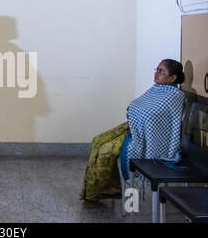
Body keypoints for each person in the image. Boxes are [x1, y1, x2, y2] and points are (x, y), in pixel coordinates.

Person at [80, 59, 186, 208]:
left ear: (173, 78)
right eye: (156, 69)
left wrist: (138, 115)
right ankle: (112, 187)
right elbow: (135, 106)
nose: (156, 74)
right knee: (98, 140)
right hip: (133, 127)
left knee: (106, 149)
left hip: (147, 137)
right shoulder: (157, 88)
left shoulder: (174, 95)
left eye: (161, 71)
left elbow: (151, 115)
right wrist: (138, 115)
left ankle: (98, 194)